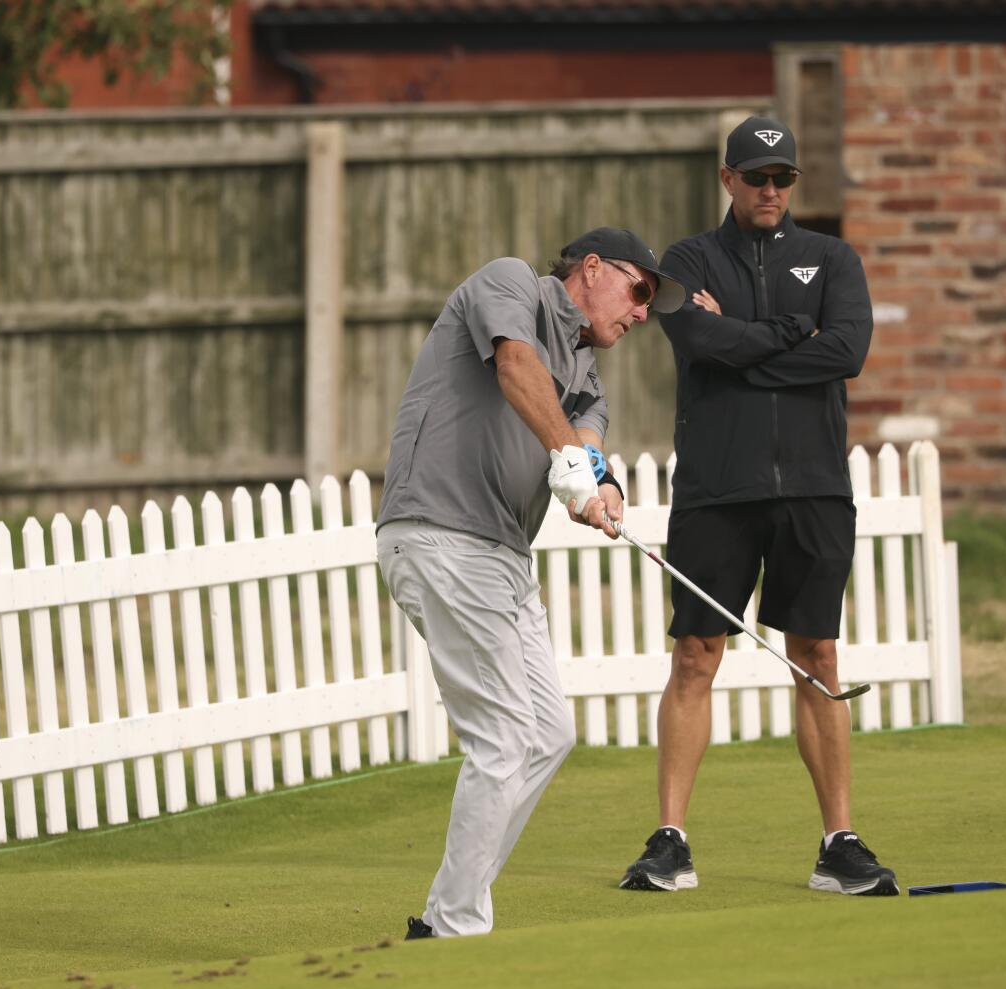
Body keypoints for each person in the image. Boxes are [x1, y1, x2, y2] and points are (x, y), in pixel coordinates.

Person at [377, 227, 685, 938]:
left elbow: (587, 438)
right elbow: (517, 368)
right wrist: (570, 464)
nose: (642, 313)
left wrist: (595, 487)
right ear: (593, 268)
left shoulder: (587, 369)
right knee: (505, 734)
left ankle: (445, 909)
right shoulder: (509, 282)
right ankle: (455, 924)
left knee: (548, 731)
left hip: (504, 556)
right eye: (638, 291)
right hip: (440, 535)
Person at [618, 116, 899, 896]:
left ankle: (838, 844)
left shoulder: (832, 258)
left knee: (817, 658)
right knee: (695, 657)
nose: (770, 190)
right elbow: (697, 343)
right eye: (756, 177)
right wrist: (782, 337)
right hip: (716, 489)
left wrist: (746, 344)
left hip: (814, 489)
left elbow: (846, 352)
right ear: (728, 179)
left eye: (783, 179)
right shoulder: (684, 261)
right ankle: (669, 841)